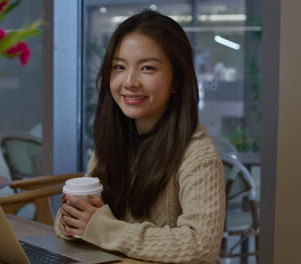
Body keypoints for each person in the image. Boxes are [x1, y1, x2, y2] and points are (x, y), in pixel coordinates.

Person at [55, 9, 225, 264]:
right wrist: (72, 220)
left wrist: (103, 229)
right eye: (119, 67)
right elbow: (74, 225)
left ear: (177, 80)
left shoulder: (198, 155)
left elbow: (201, 247)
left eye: (147, 68)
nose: (130, 82)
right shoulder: (113, 143)